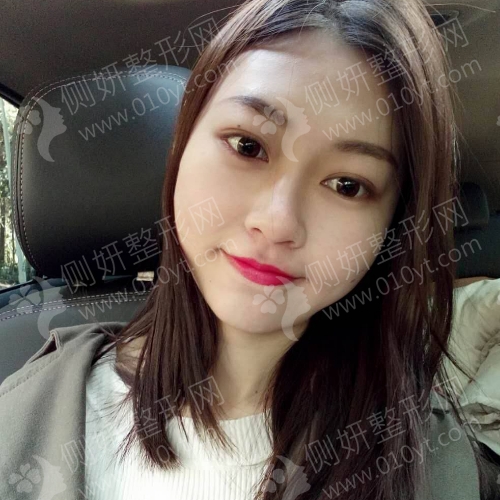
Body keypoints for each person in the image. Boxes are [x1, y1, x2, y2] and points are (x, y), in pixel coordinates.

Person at [1, 0, 499, 499]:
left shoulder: (433, 464)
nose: (278, 222)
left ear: (391, 225)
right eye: (247, 145)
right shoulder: (26, 413)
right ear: (181, 147)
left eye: (347, 185)